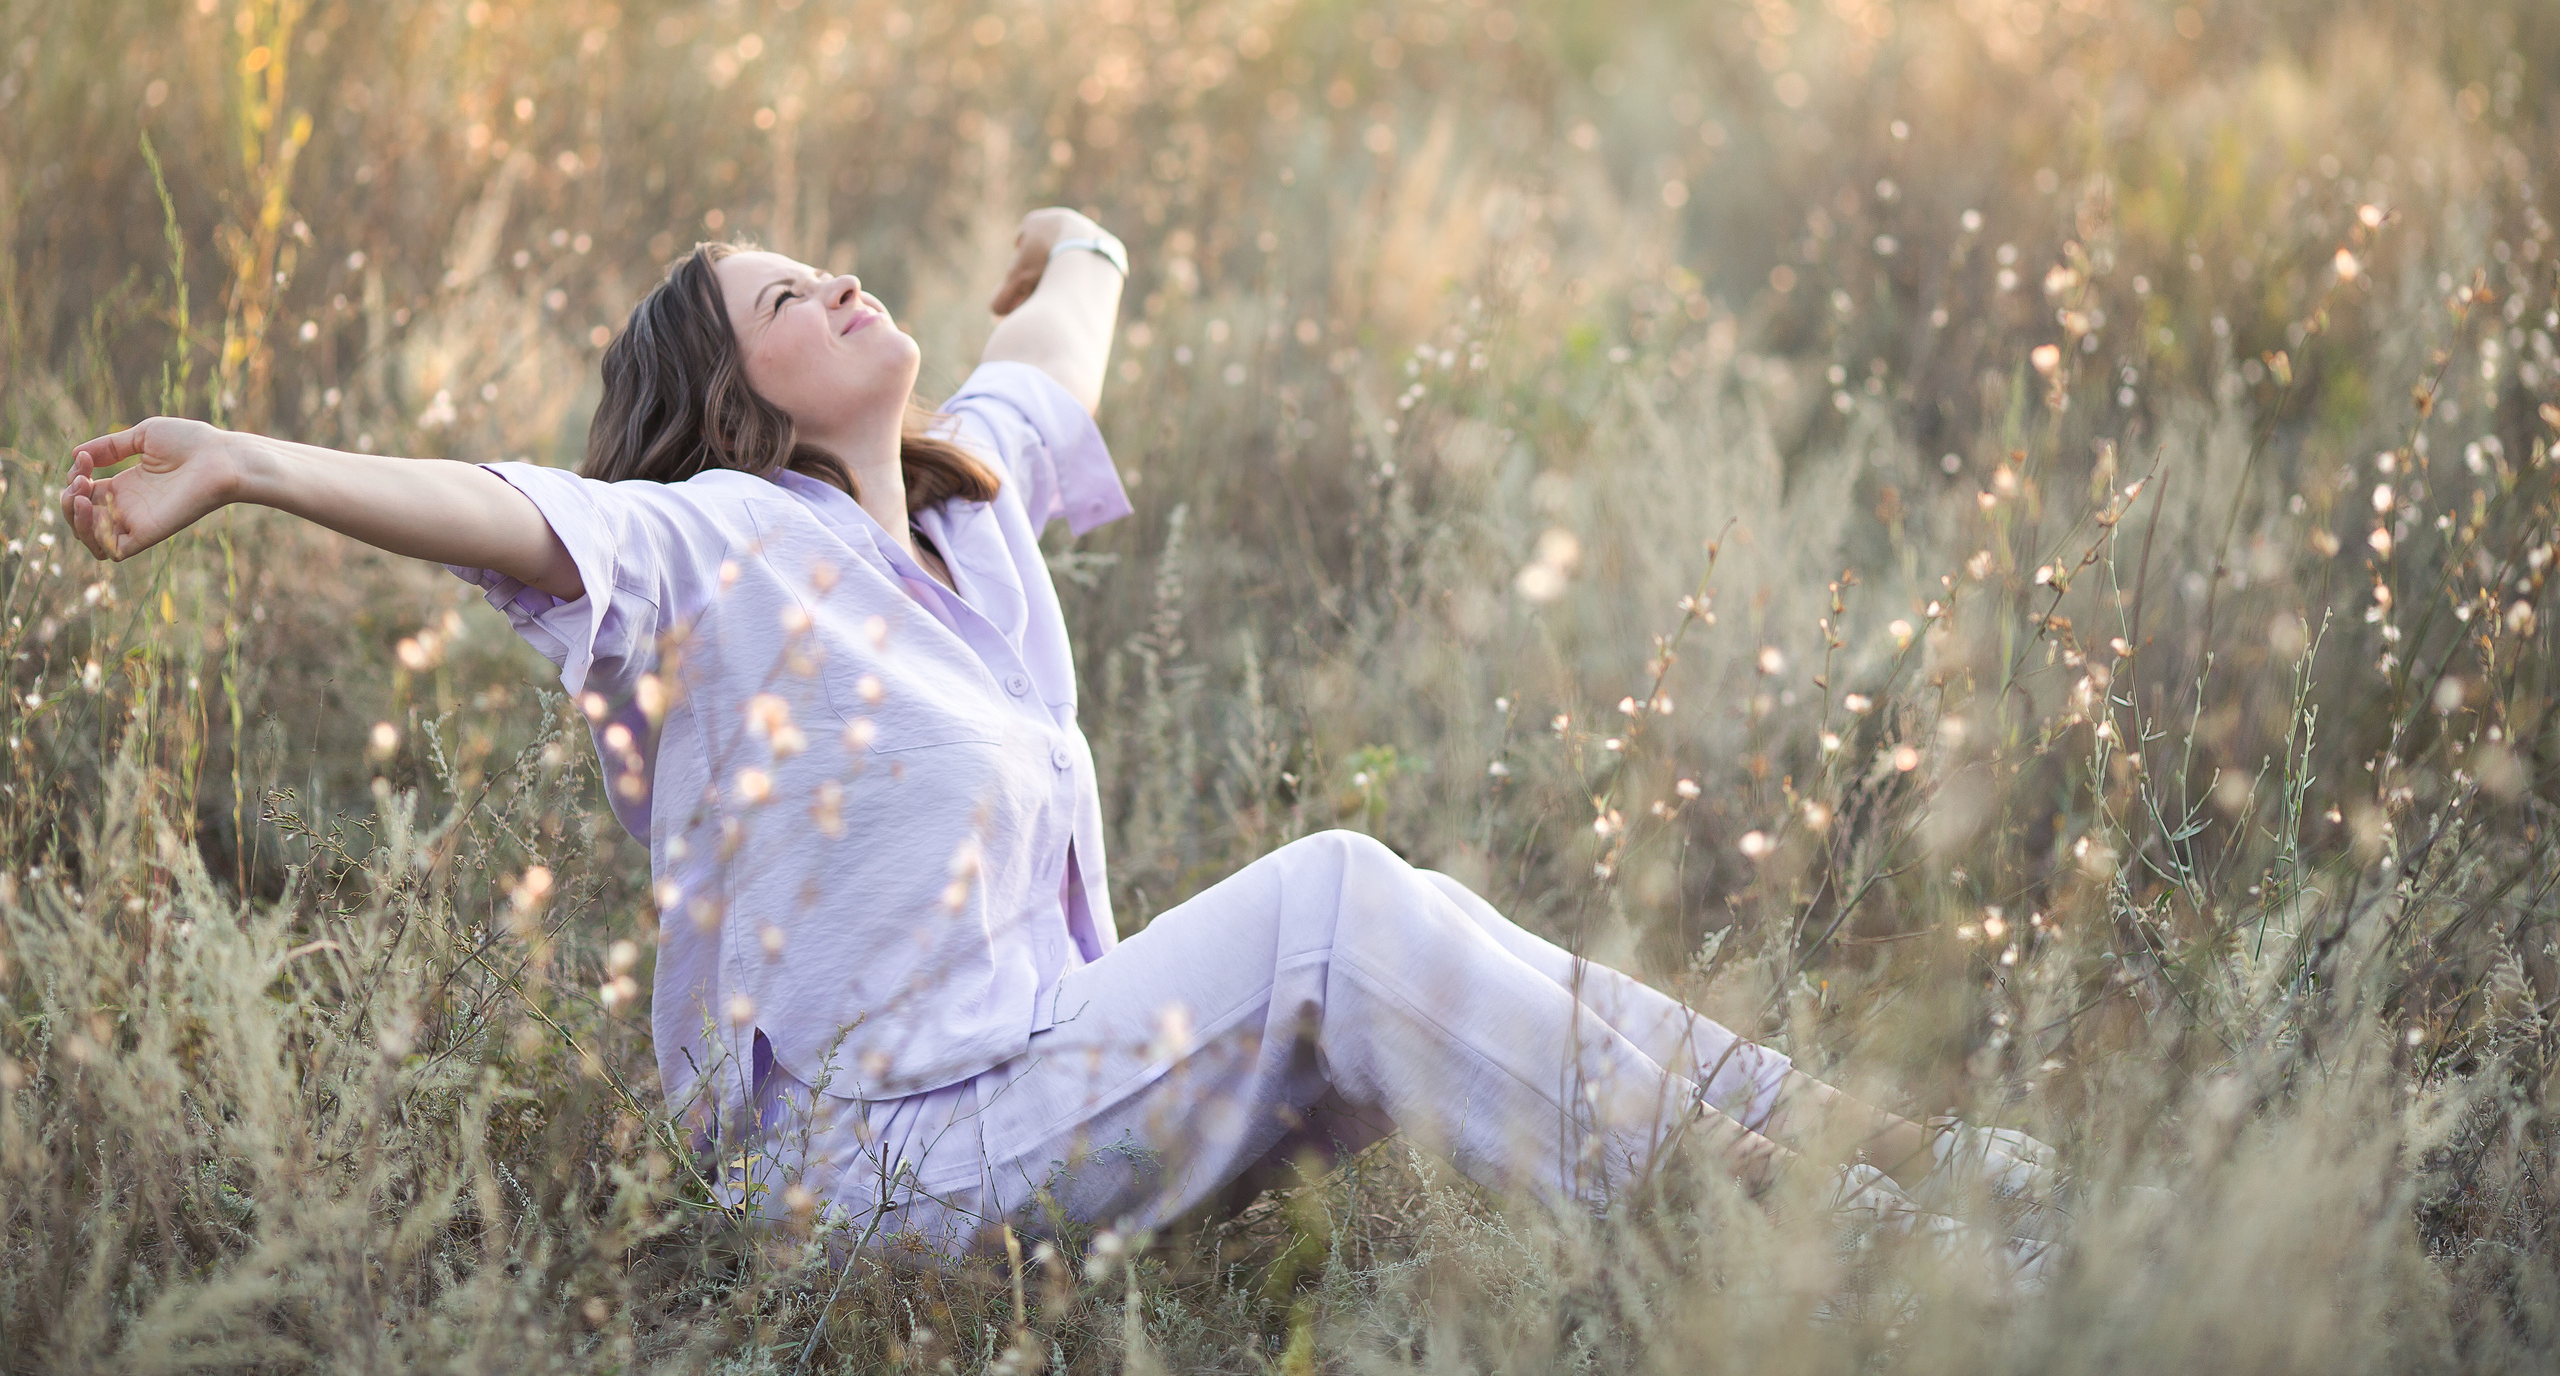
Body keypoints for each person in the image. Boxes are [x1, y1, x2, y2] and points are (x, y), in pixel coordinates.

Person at [61, 209, 2055, 1272]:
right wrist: (239, 464)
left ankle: (1886, 1165)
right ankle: (1844, 1249)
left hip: (1041, 1078)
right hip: (886, 1162)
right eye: (778, 289)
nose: (833, 272)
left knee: (1416, 916)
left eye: (815, 253)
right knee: (1342, 906)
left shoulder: (956, 509)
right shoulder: (715, 546)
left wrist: (1076, 238)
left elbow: (1042, 358)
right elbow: (505, 499)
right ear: (733, 394)